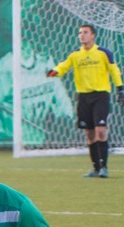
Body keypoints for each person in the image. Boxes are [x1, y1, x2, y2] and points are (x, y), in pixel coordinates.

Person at [47, 23, 124, 178]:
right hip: (83, 97)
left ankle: (104, 167)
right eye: (80, 32)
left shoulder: (104, 53)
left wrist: (120, 88)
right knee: (89, 134)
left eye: (85, 32)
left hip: (101, 95)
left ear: (93, 35)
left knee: (101, 130)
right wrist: (55, 71)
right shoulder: (75, 55)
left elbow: (114, 70)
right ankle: (95, 168)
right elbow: (65, 65)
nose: (82, 35)